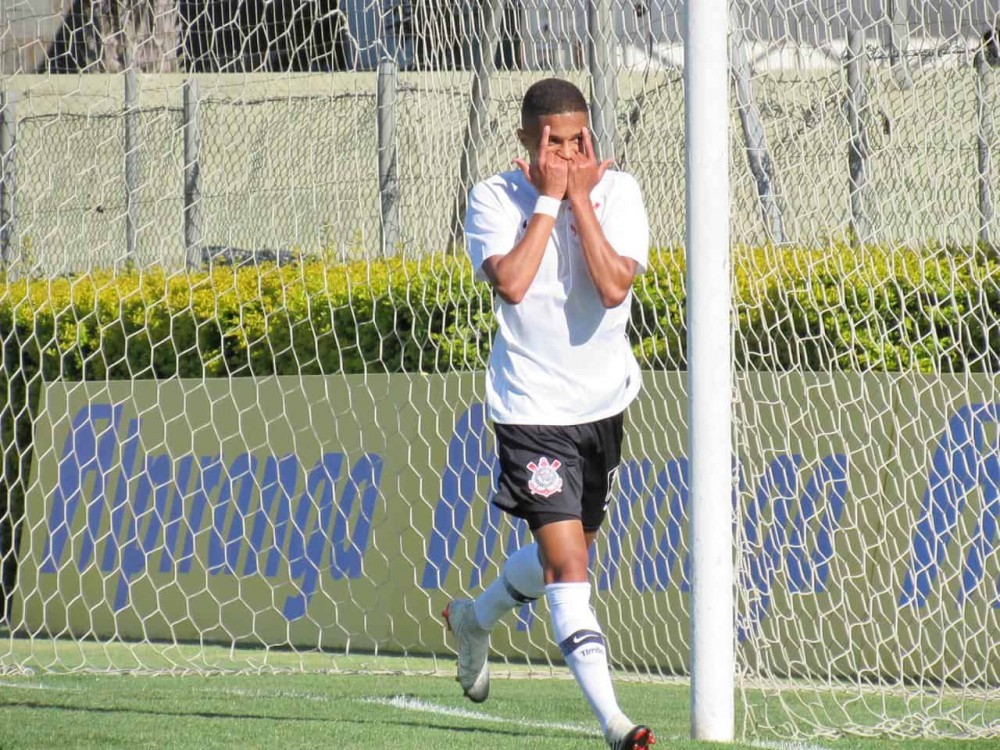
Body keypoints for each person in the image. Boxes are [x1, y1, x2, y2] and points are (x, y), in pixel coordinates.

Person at [442, 77, 654, 750]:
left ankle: (474, 619)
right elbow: (510, 282)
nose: (567, 154)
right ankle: (615, 724)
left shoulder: (619, 191)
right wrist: (547, 201)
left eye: (578, 141)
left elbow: (615, 286)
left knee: (570, 552)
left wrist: (579, 199)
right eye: (553, 143)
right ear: (526, 141)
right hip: (531, 409)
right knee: (568, 569)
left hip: (602, 406)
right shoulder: (493, 197)